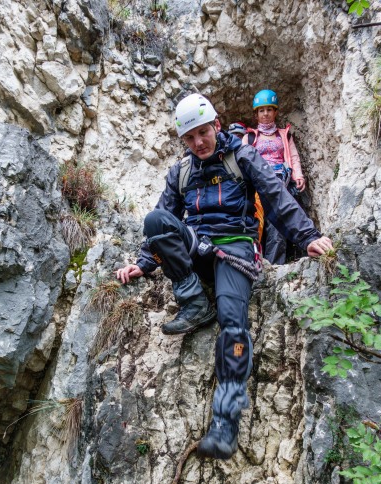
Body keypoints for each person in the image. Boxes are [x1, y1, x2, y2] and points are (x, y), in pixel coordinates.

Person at [116, 93, 333, 460]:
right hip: (198, 247)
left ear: (216, 126)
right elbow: (162, 219)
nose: (198, 143)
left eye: (203, 132)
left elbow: (276, 196)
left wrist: (308, 237)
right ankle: (193, 300)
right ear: (183, 140)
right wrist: (144, 263)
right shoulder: (180, 172)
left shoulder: (242, 156)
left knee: (233, 325)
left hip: (235, 248)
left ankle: (224, 424)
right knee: (155, 221)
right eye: (190, 138)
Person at [244, 89, 309, 264]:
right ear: (256, 114)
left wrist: (298, 175)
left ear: (275, 112)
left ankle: (274, 266)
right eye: (261, 110)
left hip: (280, 183)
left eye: (269, 110)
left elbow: (293, 156)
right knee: (255, 224)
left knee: (276, 226)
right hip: (257, 185)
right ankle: (252, 262)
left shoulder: (284, 135)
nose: (265, 114)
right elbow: (241, 161)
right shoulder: (249, 137)